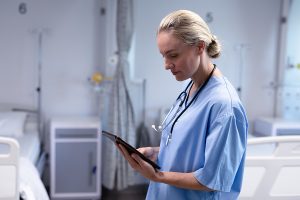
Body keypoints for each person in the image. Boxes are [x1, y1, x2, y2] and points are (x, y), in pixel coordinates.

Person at [117, 9, 248, 199]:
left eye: (173, 55)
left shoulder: (225, 106)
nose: (166, 64)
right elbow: (190, 149)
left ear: (199, 47)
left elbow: (211, 179)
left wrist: (157, 175)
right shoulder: (191, 88)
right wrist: (155, 153)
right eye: (163, 55)